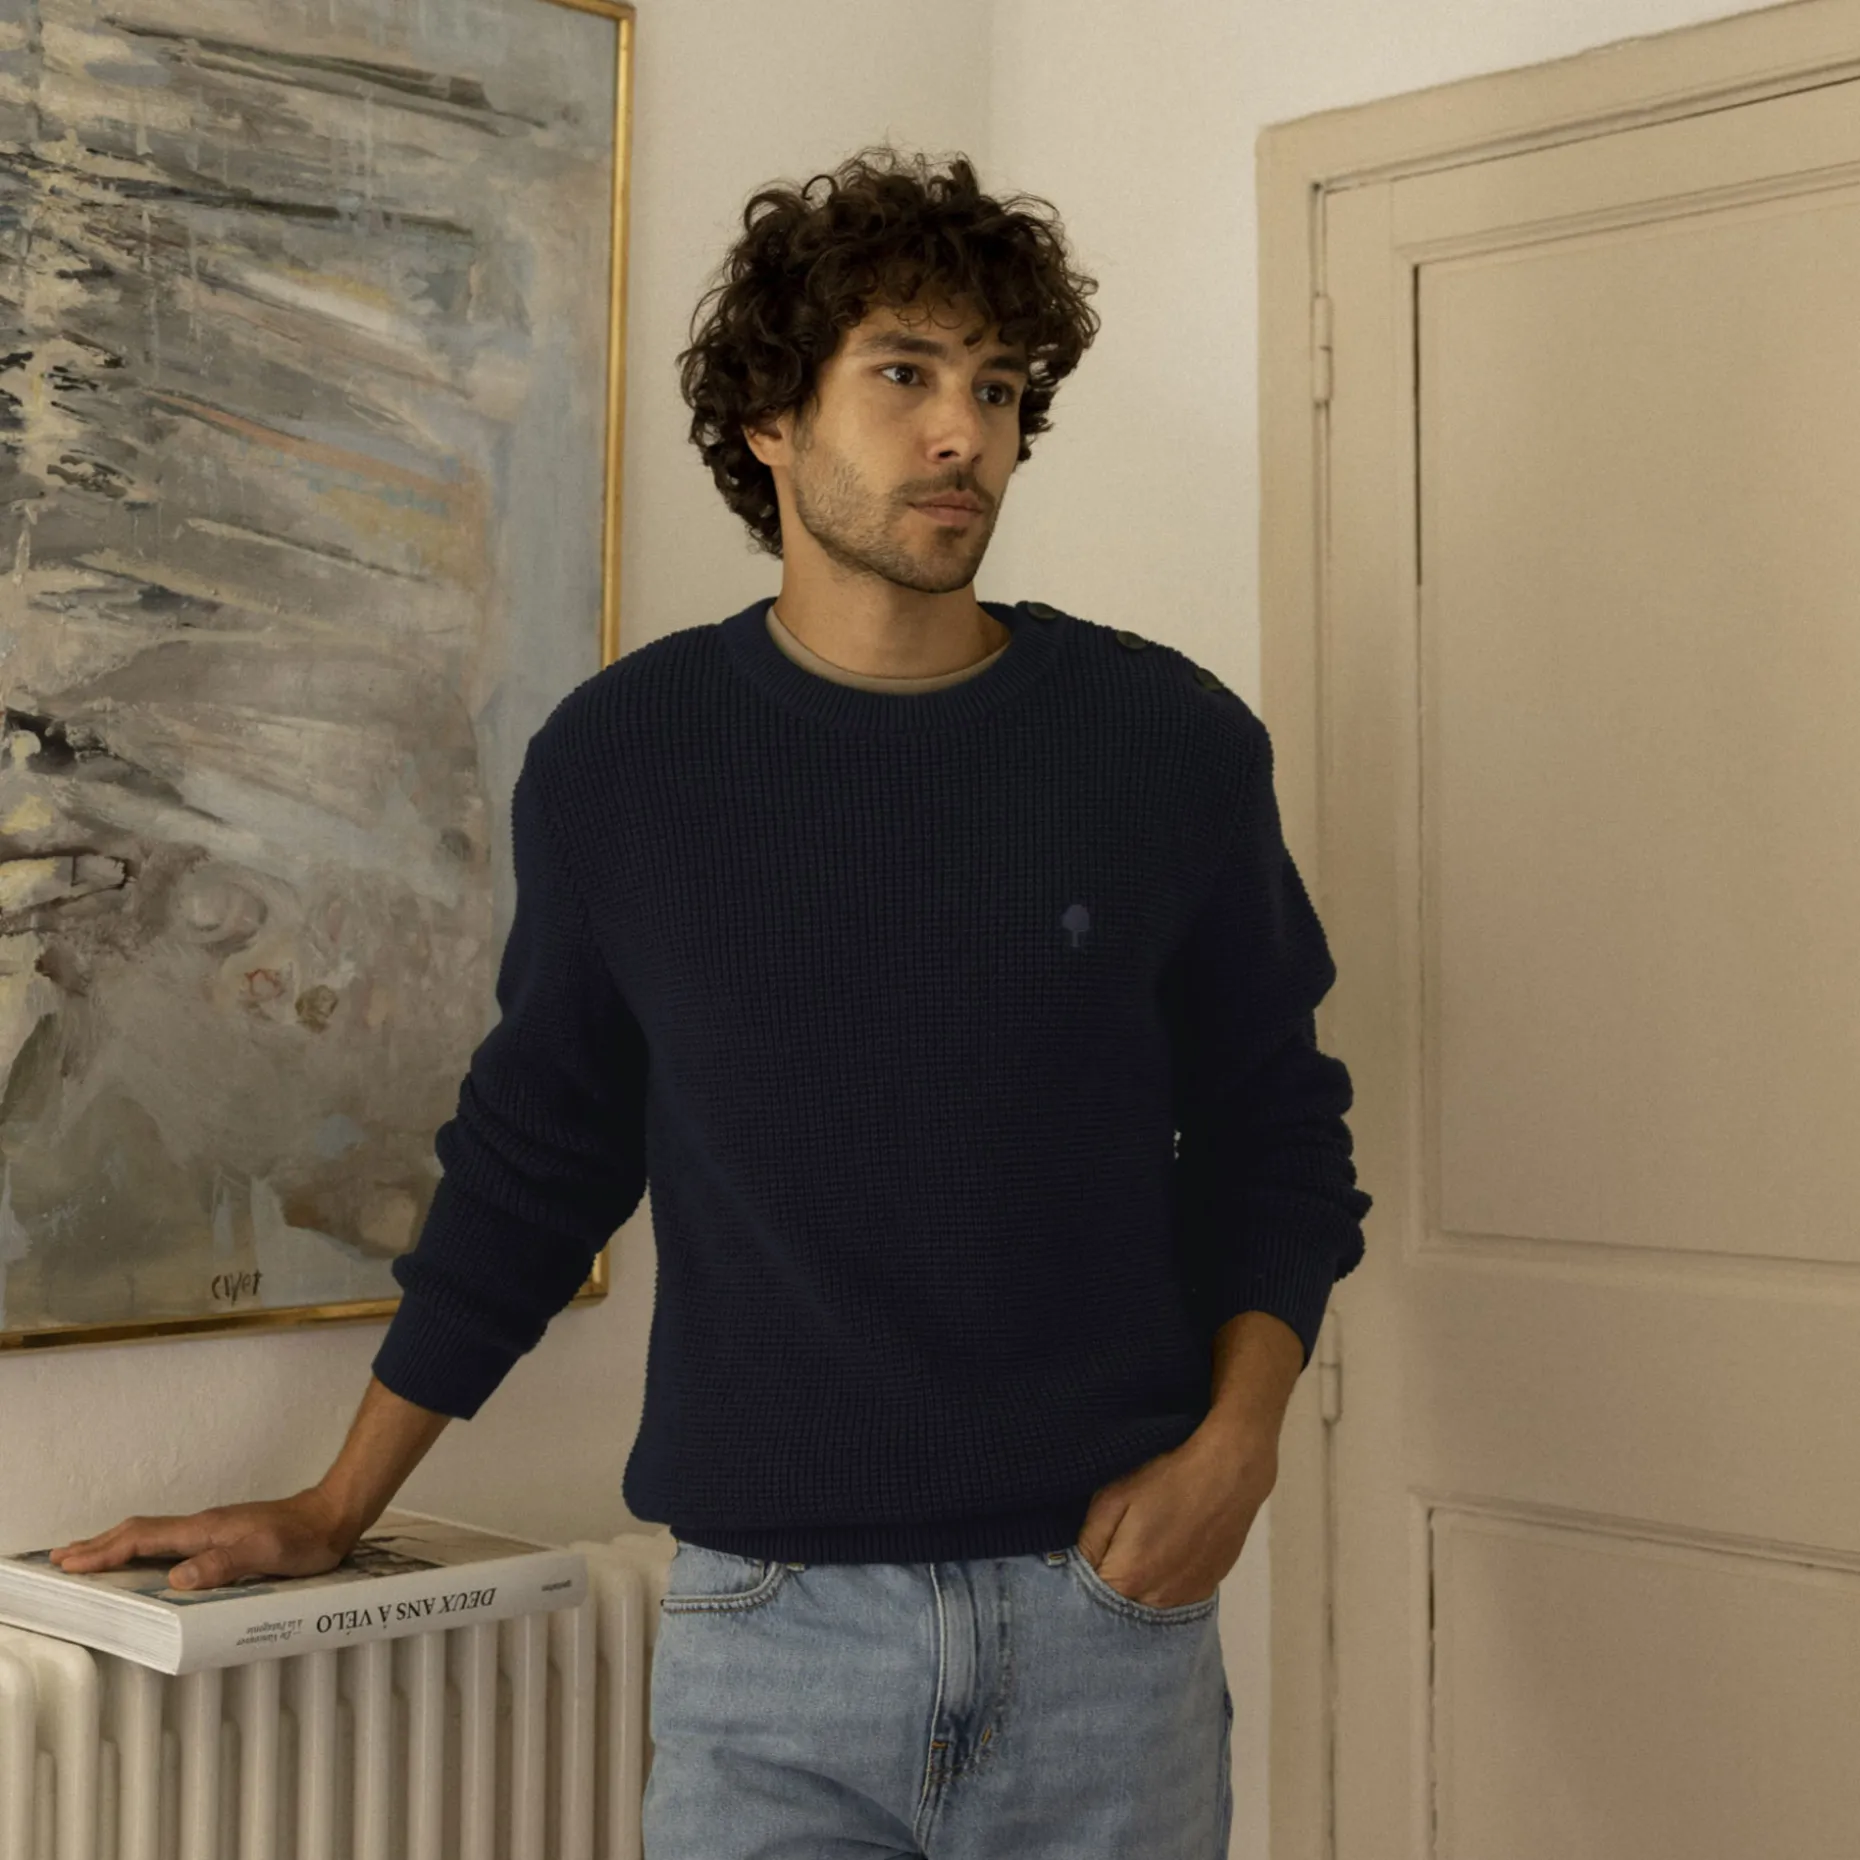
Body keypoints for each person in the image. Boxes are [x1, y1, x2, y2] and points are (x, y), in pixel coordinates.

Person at [53, 143, 1373, 1857]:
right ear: (769, 417)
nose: (964, 434)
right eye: (905, 375)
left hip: (1102, 1628)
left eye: (997, 388)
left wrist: (1241, 1444)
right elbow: (537, 1165)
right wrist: (333, 1502)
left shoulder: (1163, 746)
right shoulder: (625, 765)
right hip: (768, 1645)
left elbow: (1279, 1136)